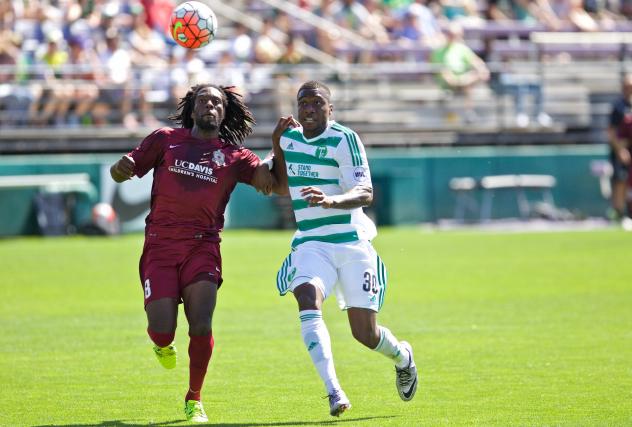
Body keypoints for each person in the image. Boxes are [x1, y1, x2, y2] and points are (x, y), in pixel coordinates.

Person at [109, 83, 275, 423]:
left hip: (203, 245)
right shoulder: (165, 139)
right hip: (161, 243)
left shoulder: (235, 155)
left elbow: (266, 182)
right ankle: (160, 343)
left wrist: (277, 146)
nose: (210, 106)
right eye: (203, 100)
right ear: (192, 108)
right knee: (163, 331)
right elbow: (122, 169)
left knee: (201, 325)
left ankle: (194, 397)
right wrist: (120, 168)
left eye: (217, 102)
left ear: (225, 111)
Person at [269, 81, 418, 417]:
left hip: (351, 246)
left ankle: (402, 357)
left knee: (364, 334)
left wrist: (332, 200)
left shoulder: (345, 139)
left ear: (330, 109)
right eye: (302, 102)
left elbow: (365, 192)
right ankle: (334, 391)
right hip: (311, 243)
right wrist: (275, 145)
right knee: (307, 298)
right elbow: (278, 185)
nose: (308, 108)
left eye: (316, 102)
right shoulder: (290, 139)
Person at [606, 74, 632, 220]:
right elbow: (611, 131)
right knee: (620, 179)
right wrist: (620, 150)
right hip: (621, 149)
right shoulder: (618, 106)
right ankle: (619, 212)